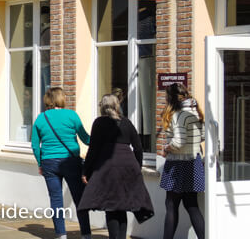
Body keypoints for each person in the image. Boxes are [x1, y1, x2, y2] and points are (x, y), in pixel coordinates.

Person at [79, 93, 153, 239]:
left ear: (103, 107)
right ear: (116, 106)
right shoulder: (126, 122)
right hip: (128, 165)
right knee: (122, 206)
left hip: (108, 167)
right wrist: (136, 167)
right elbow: (138, 147)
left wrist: (85, 171)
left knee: (111, 206)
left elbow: (93, 149)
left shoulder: (99, 123)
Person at [31, 87, 92, 239]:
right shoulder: (71, 115)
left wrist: (40, 163)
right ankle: (86, 234)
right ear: (61, 98)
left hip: (49, 163)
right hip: (71, 161)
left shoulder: (41, 118)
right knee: (79, 198)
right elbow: (85, 138)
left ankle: (61, 234)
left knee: (56, 199)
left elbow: (34, 145)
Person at [160, 83, 205, 239]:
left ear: (172, 98)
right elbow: (203, 135)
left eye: (166, 96)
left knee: (171, 205)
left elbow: (178, 142)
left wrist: (166, 148)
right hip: (193, 161)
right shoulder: (195, 111)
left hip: (178, 164)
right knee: (192, 205)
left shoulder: (179, 115)